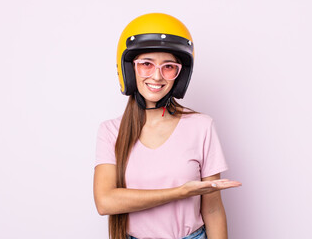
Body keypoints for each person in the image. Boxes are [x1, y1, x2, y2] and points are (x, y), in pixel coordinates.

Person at [93, 13, 242, 239]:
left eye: (169, 66)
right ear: (129, 70)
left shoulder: (201, 127)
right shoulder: (111, 131)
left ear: (179, 75)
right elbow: (105, 202)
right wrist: (180, 192)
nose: (157, 76)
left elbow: (212, 209)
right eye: (146, 64)